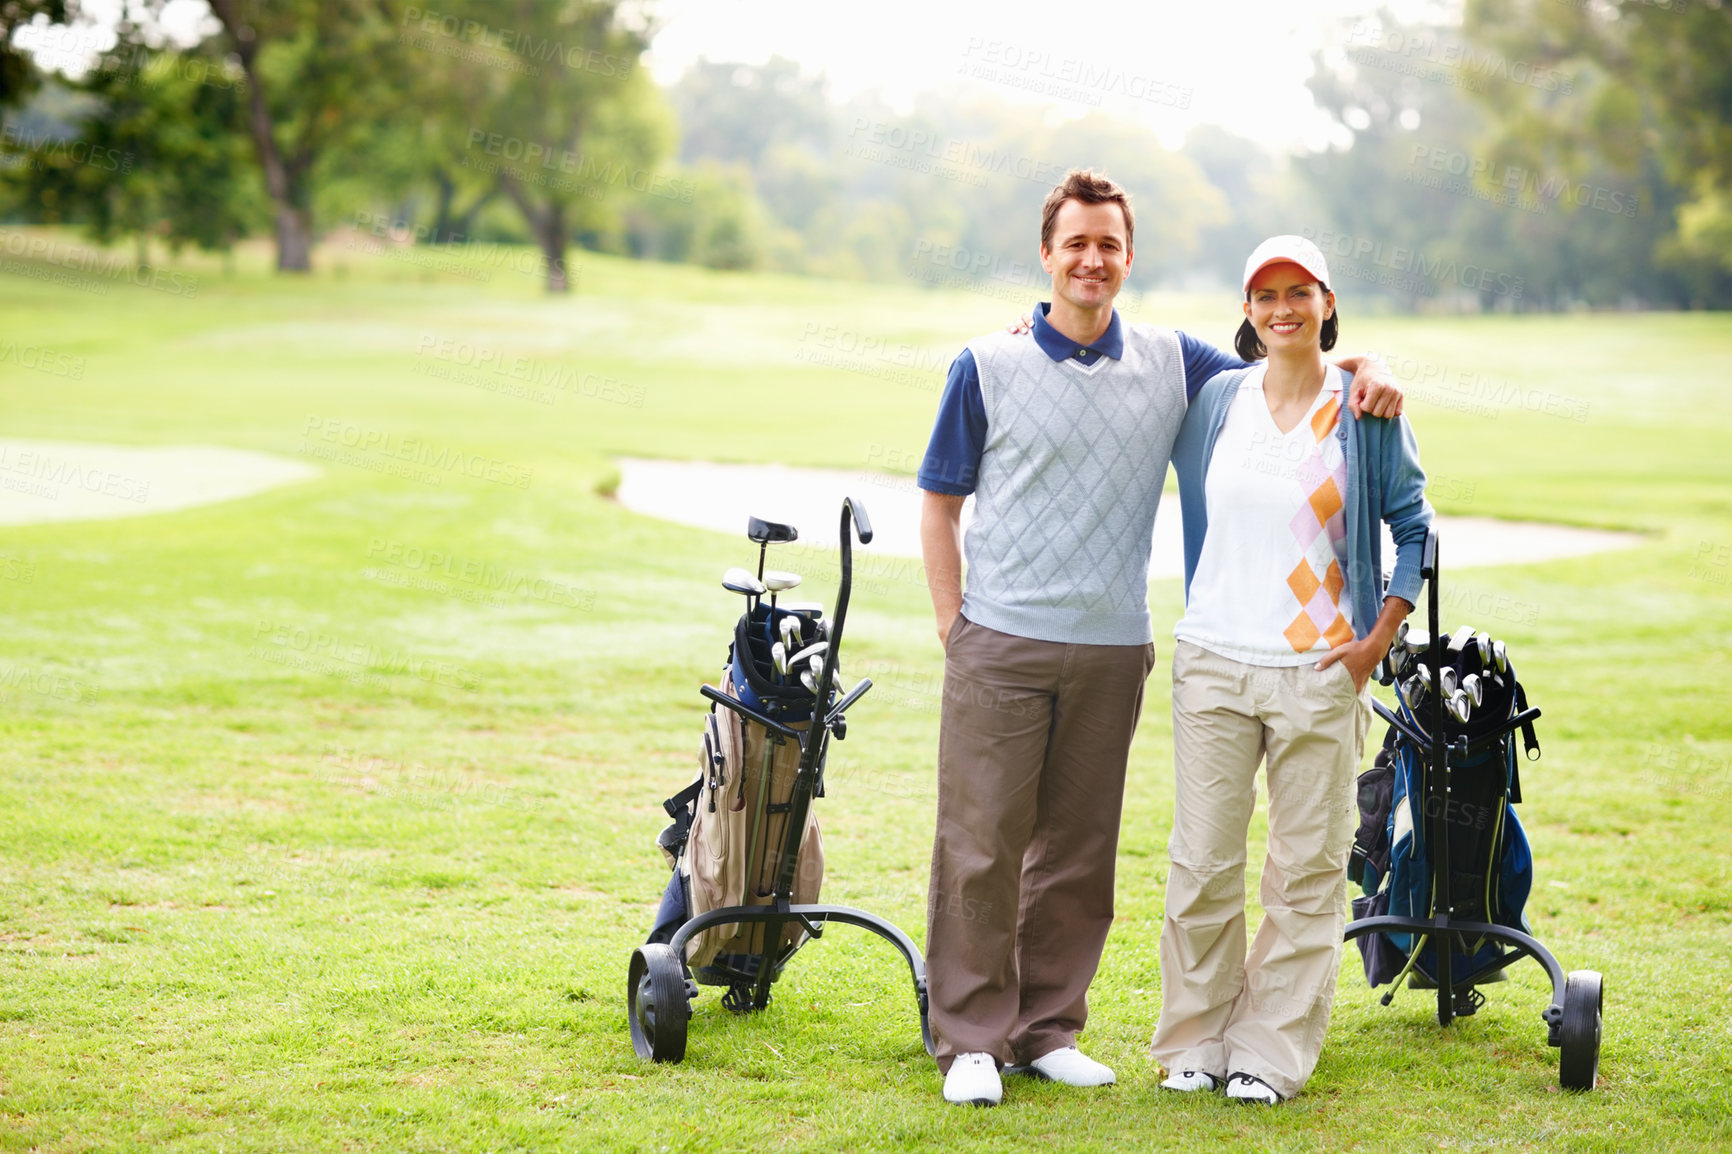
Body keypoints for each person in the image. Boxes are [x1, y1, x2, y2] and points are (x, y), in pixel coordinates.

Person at [915, 174, 1404, 1107]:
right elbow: (939, 504)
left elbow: (1284, 365)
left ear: (1128, 259)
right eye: (1076, 245)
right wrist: (953, 625)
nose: (1092, 260)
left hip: (1112, 647)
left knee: (1080, 847)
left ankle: (1046, 1029)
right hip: (1001, 639)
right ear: (1048, 256)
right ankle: (972, 1037)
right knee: (981, 843)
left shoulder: (1174, 362)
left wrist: (1365, 363)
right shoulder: (986, 363)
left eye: (1109, 245)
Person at [1150, 235, 1433, 1104]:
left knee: (1306, 871)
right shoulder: (1215, 400)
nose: (1282, 309)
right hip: (1214, 664)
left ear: (1326, 302)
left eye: (1298, 293)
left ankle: (1270, 1051)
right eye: (1266, 296)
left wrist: (1376, 639)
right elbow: (1106, 343)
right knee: (1202, 863)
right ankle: (1195, 1039)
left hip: (1319, 670)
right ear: (1247, 310)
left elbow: (1414, 531)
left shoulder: (1366, 410)